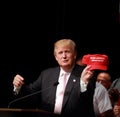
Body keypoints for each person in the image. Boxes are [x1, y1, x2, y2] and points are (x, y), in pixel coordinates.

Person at [11, 39, 97, 117]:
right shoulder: (47, 74)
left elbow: (87, 100)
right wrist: (19, 86)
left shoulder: (86, 73)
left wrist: (82, 82)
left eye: (67, 52)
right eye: (60, 53)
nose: (64, 56)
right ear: (56, 57)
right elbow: (31, 94)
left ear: (75, 54)